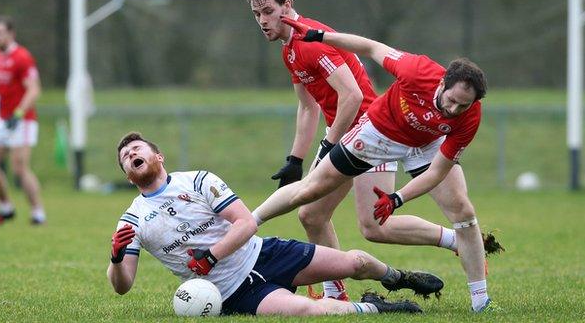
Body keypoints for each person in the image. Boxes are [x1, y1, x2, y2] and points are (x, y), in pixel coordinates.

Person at [247, 0, 500, 302]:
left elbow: (351, 95)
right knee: (330, 218)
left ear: (287, 6)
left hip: (369, 132)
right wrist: (295, 158)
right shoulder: (291, 50)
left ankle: (463, 253)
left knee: (360, 222)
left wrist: (329, 144)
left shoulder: (309, 42)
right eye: (257, 14)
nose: (263, 20)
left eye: (268, 11)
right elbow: (308, 106)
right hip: (365, 131)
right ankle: (338, 292)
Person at [107, 132, 445, 316]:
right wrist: (117, 260)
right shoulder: (132, 220)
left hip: (266, 254)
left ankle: (397, 278)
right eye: (125, 158)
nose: (130, 155)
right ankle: (377, 308)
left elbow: (245, 224)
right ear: (127, 173)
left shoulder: (197, 181)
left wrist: (210, 256)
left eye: (136, 149)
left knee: (354, 262)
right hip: (235, 293)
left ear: (158, 157)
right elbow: (123, 286)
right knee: (306, 312)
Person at [0, 16, 45, 226]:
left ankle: (38, 212)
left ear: (11, 34)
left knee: (19, 169)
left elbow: (34, 89)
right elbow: (3, 86)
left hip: (22, 120)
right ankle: (6, 207)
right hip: (2, 118)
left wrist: (19, 113)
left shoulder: (22, 57)